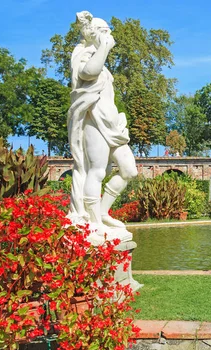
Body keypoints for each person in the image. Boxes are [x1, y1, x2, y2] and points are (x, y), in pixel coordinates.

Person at [67, 11, 137, 238]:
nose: (110, 36)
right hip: (94, 119)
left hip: (111, 122)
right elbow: (87, 74)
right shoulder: (83, 52)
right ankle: (93, 221)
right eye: (105, 32)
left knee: (128, 170)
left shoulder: (101, 60)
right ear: (94, 33)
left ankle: (103, 211)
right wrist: (104, 48)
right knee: (96, 171)